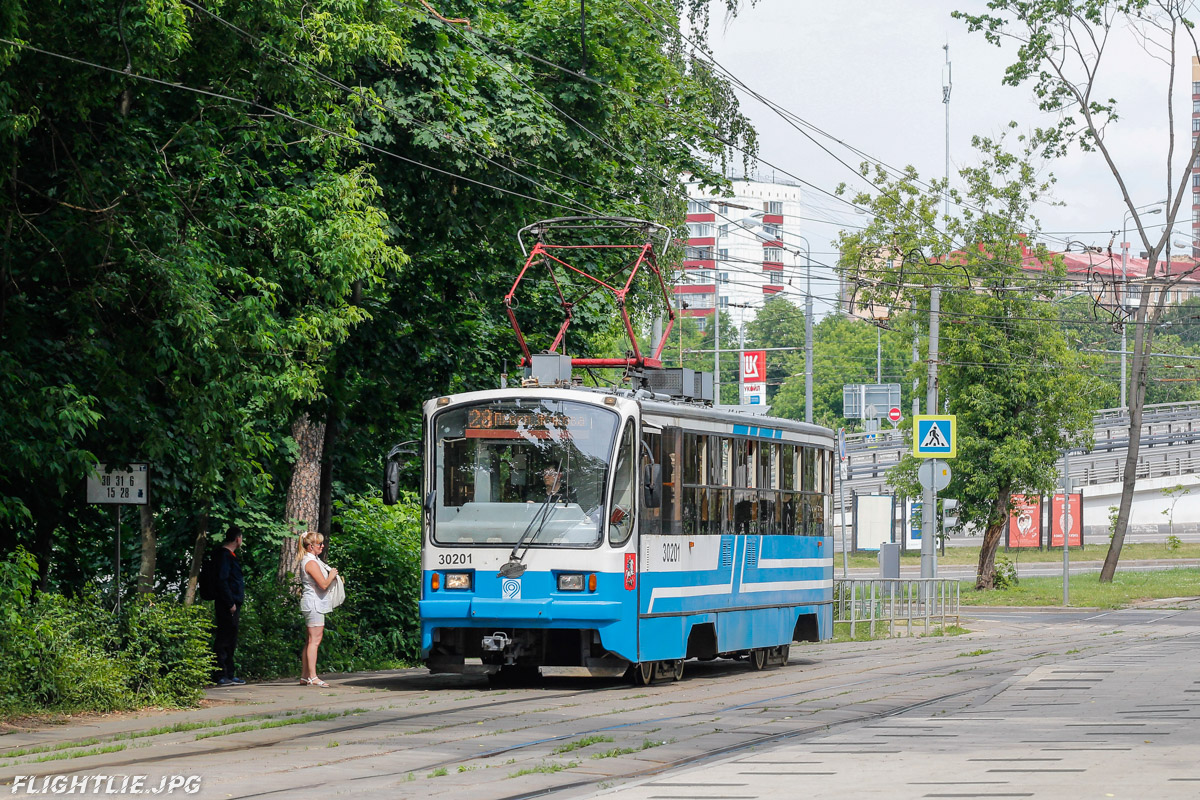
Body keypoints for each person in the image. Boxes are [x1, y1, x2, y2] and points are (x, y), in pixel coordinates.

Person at [298, 532, 339, 687]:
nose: (322, 546)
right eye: (319, 544)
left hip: (313, 603)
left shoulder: (311, 560)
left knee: (310, 640)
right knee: (314, 641)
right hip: (314, 604)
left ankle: (305, 676)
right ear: (310, 546)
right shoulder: (311, 562)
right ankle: (313, 677)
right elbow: (323, 584)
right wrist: (332, 575)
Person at [213, 526, 245, 686]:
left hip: (233, 602)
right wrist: (230, 602)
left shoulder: (230, 556)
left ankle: (230, 673)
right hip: (227, 603)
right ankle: (220, 674)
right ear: (237, 539)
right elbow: (222, 580)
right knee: (224, 638)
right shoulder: (224, 556)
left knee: (231, 638)